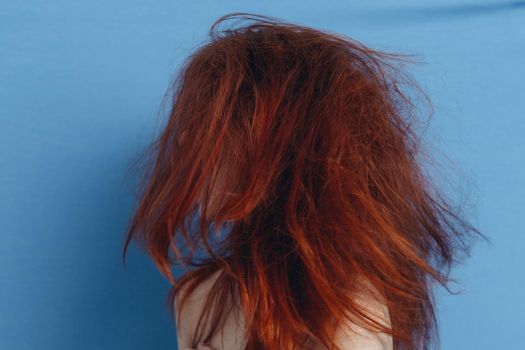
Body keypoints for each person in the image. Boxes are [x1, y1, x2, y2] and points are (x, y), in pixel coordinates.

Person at [122, 12, 482, 350]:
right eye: (191, 128)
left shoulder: (354, 313)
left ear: (283, 152)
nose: (185, 144)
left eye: (215, 130)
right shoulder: (196, 299)